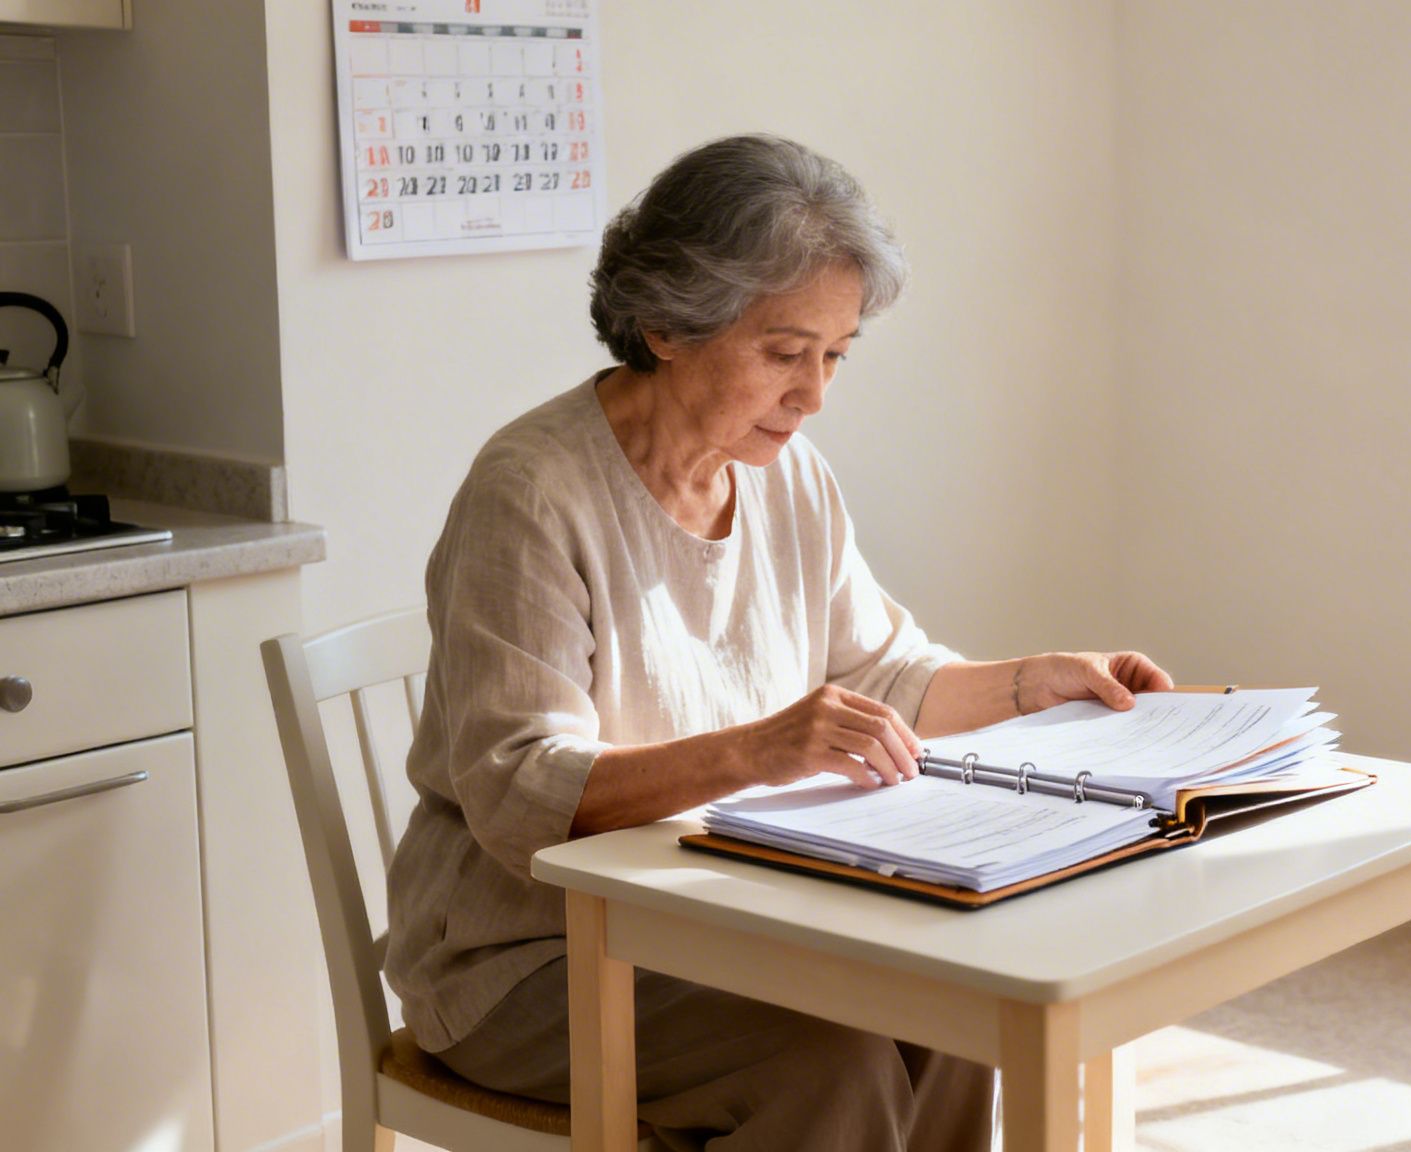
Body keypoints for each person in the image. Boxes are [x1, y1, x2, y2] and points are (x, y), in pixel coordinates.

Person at [383, 133, 1174, 1150]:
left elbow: (884, 674)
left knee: (956, 1022)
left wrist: (1040, 682)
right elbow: (515, 797)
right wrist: (759, 747)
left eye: (834, 356)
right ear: (669, 323)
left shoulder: (787, 475)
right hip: (528, 961)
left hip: (716, 921)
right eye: (784, 353)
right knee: (827, 1067)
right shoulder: (532, 492)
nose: (813, 396)